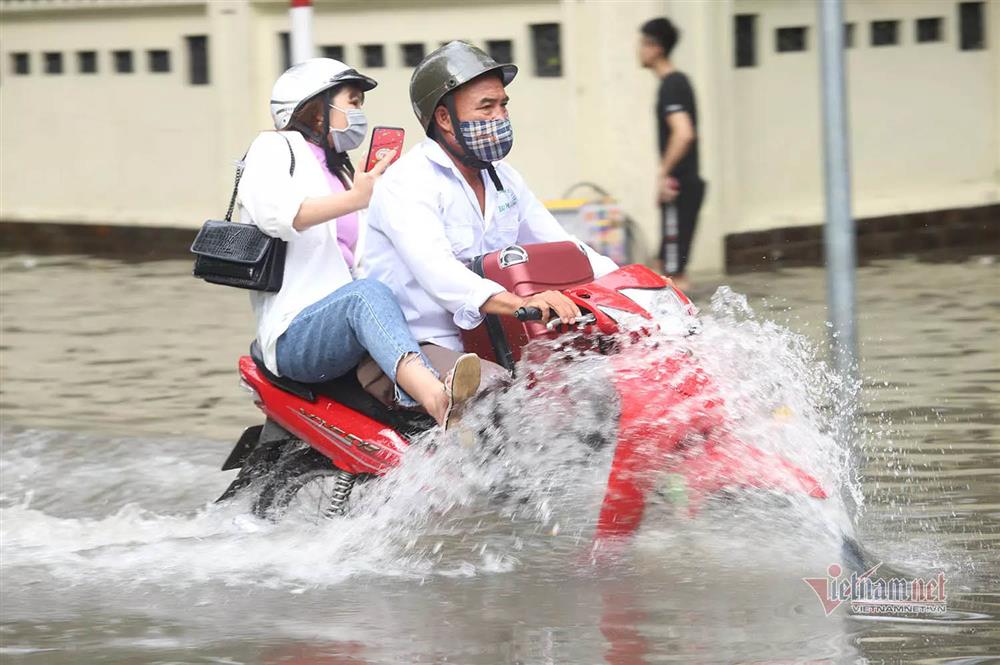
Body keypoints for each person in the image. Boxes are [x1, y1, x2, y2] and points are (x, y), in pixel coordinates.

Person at [361, 41, 618, 401]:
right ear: (444, 118)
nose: (500, 117)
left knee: (595, 377)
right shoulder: (408, 182)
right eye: (486, 107)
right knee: (499, 396)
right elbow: (439, 272)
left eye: (503, 105)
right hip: (422, 344)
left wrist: (627, 284)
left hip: (493, 338)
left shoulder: (504, 178)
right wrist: (522, 303)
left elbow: (563, 246)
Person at [237, 57, 480, 428]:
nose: (358, 114)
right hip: (294, 334)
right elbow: (276, 216)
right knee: (365, 296)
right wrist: (356, 199)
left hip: (350, 328)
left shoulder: (343, 170)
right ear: (316, 107)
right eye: (352, 102)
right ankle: (436, 398)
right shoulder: (274, 147)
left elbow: (367, 259)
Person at [638, 17, 706, 292]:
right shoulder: (676, 83)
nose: (639, 50)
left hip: (679, 185)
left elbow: (684, 133)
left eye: (642, 44)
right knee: (663, 263)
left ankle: (686, 319)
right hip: (682, 186)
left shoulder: (672, 85)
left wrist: (664, 174)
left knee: (673, 274)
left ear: (655, 47)